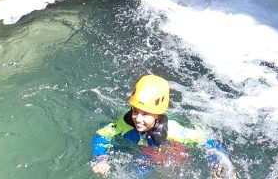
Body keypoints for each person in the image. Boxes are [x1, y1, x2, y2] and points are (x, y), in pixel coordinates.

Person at [90, 74, 234, 177]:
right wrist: (100, 158)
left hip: (165, 151)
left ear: (158, 114)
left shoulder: (173, 131)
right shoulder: (125, 122)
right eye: (135, 111)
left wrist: (217, 163)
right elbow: (102, 134)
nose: (138, 119)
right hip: (139, 150)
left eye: (145, 114)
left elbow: (208, 141)